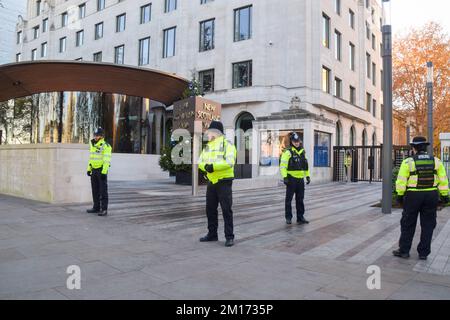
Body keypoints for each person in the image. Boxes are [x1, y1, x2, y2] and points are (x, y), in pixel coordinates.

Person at [393, 136, 449, 260]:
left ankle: (404, 251)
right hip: (431, 195)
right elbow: (443, 180)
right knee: (428, 224)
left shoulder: (408, 162)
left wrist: (400, 195)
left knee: (408, 223)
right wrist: (445, 195)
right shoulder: (436, 161)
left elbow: (401, 181)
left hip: (413, 195)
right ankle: (423, 253)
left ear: (414, 148)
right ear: (425, 147)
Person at [198, 121, 237, 247]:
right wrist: (206, 167)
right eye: (210, 131)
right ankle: (212, 234)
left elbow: (230, 162)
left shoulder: (228, 144)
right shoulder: (208, 146)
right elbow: (200, 161)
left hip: (224, 181)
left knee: (226, 210)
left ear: (219, 133)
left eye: (213, 131)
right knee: (210, 209)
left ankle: (229, 237)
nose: (210, 133)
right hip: (212, 182)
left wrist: (212, 167)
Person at [280, 132, 311, 225]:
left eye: (298, 141)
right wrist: (285, 177)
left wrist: (308, 176)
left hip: (300, 179)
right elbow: (283, 166)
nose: (296, 143)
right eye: (295, 141)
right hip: (291, 179)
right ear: (291, 141)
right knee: (288, 200)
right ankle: (288, 217)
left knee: (300, 199)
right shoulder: (288, 152)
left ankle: (300, 217)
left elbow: (305, 165)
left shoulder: (302, 151)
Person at [86, 128, 112, 216]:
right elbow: (91, 158)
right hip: (94, 170)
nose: (95, 137)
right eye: (95, 135)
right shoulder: (93, 144)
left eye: (97, 135)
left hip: (101, 170)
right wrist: (89, 169)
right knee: (95, 190)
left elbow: (106, 160)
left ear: (101, 136)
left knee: (103, 191)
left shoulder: (106, 146)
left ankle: (104, 209)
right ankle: (96, 207)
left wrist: (104, 172)